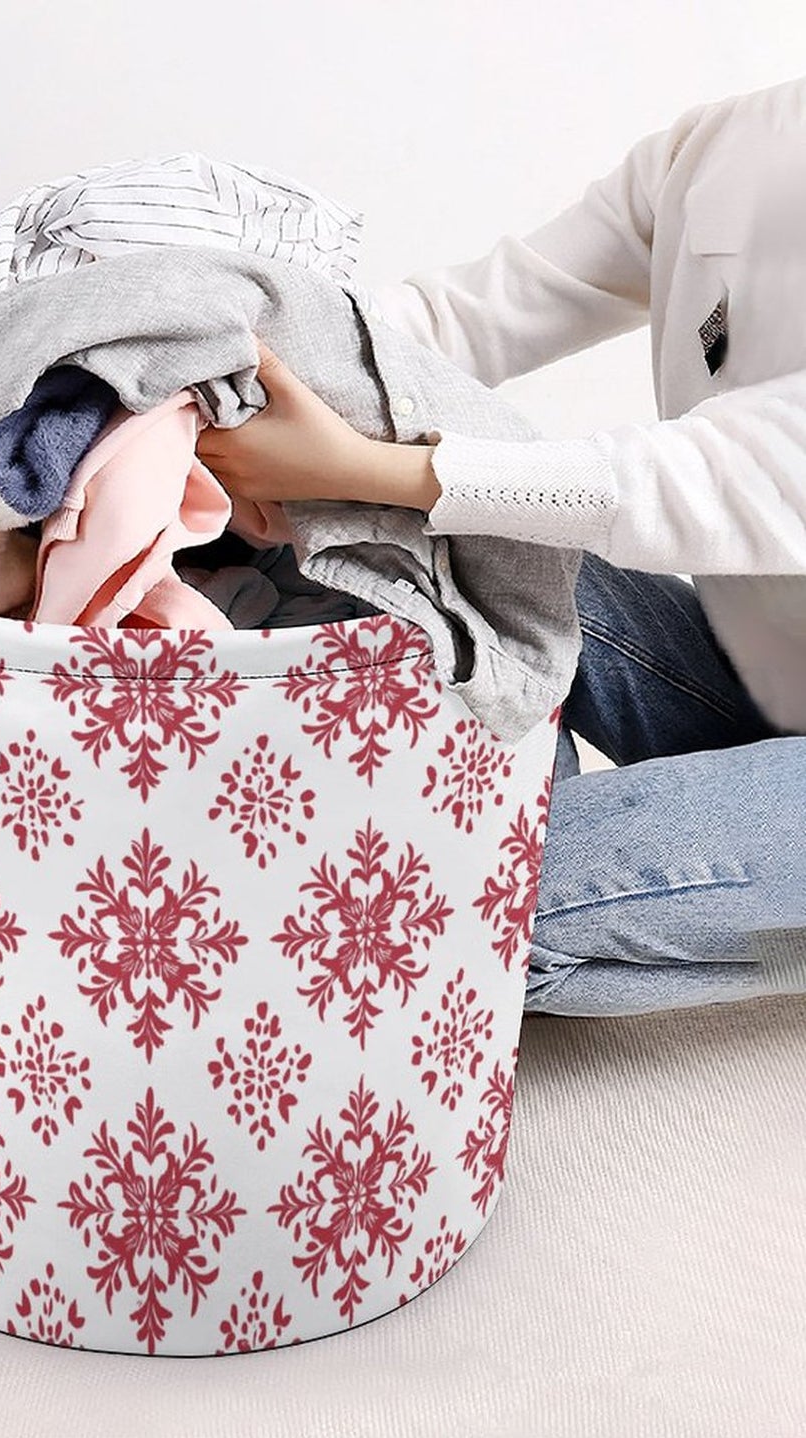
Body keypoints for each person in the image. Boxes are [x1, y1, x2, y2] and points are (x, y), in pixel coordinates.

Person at [196, 75, 806, 1016]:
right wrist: (229, 367)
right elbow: (465, 319)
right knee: (426, 548)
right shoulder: (724, 147)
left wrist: (364, 465)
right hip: (764, 684)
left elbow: (709, 474)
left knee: (465, 912)